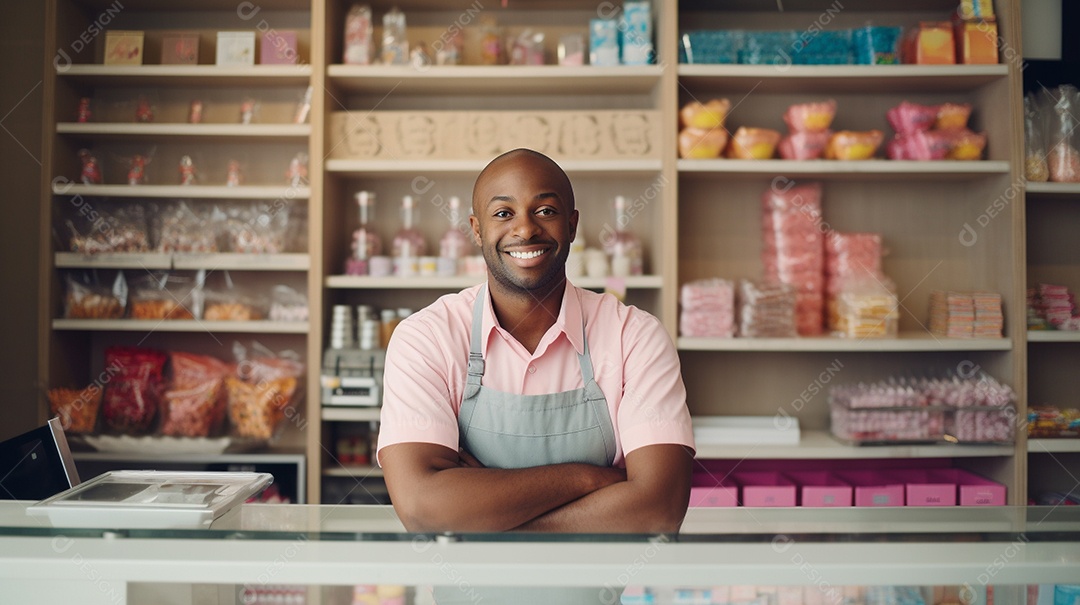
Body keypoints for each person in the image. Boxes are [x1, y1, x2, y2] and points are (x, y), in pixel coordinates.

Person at [377, 148, 695, 534]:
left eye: (545, 211)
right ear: (477, 229)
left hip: (598, 577)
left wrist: (480, 513)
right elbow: (423, 508)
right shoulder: (426, 338)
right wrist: (590, 478)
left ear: (572, 225)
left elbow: (659, 509)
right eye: (503, 213)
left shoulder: (635, 336)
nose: (526, 230)